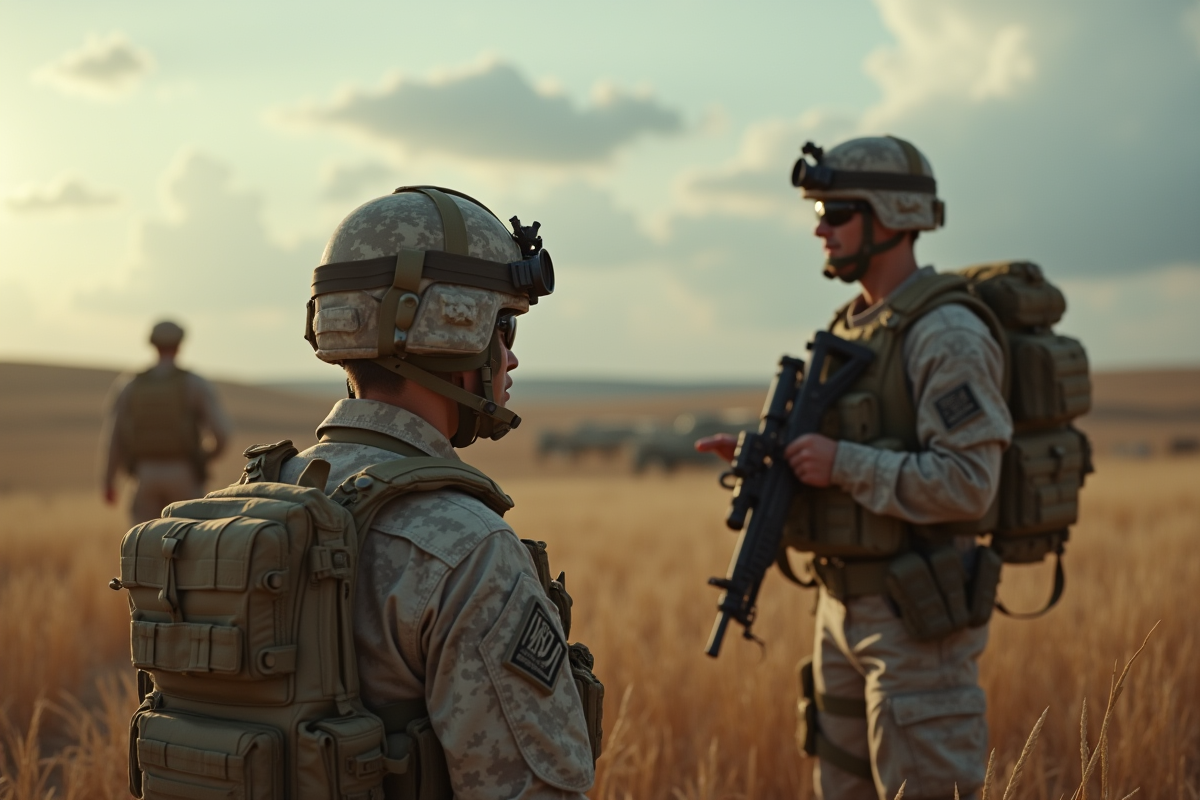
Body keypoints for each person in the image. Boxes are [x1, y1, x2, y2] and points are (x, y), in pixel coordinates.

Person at [698, 136, 1013, 799]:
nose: (820, 228)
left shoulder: (946, 334)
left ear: (894, 216)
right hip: (841, 607)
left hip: (917, 619)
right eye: (818, 212)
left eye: (837, 213)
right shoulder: (861, 324)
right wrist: (769, 461)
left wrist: (843, 462)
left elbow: (969, 483)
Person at [281, 186, 596, 798]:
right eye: (503, 327)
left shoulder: (266, 493)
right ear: (455, 326)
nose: (510, 360)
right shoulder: (465, 547)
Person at [100, 320, 231, 524]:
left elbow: (114, 439)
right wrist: (204, 458)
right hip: (184, 474)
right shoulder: (194, 383)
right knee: (190, 543)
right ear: (180, 345)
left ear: (153, 344)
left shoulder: (130, 385)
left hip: (144, 475)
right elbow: (222, 436)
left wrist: (108, 482)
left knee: (143, 546)